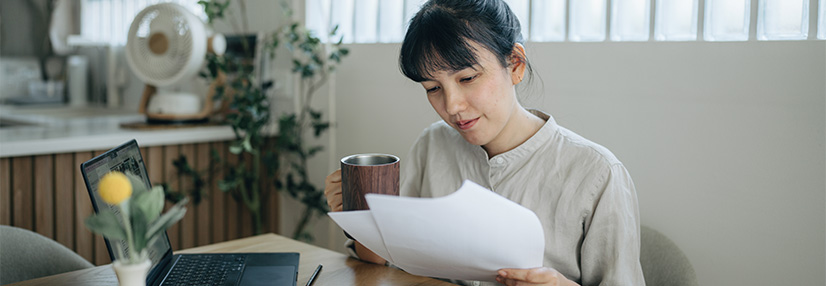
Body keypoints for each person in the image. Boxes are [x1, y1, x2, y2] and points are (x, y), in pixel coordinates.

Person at [324, 0, 645, 285]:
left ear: (515, 64)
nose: (452, 106)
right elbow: (384, 262)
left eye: (467, 78)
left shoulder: (597, 173)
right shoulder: (433, 145)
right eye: (433, 88)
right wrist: (360, 217)